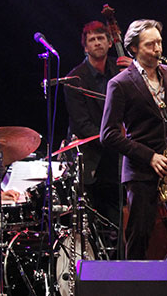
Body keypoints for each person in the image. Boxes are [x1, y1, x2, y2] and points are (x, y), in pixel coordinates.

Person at [100, 19, 167, 261]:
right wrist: (150, 156)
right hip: (143, 170)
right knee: (139, 237)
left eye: (159, 43)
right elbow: (108, 134)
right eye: (150, 45)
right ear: (133, 48)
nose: (158, 49)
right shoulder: (120, 84)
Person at [63, 21, 133, 227]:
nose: (97, 43)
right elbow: (81, 125)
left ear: (110, 42)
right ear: (85, 47)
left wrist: (137, 72)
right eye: (92, 40)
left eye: (101, 38)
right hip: (93, 158)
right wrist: (116, 139)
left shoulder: (121, 69)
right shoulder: (74, 79)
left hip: (119, 158)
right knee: (94, 223)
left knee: (121, 219)